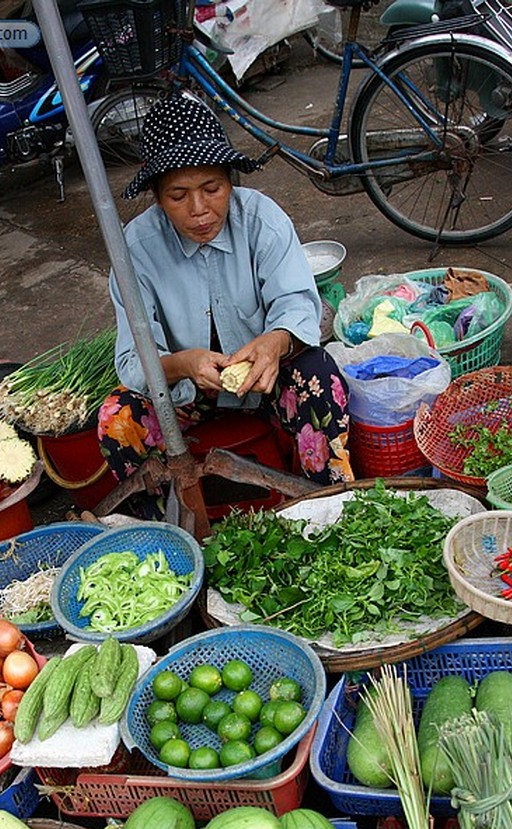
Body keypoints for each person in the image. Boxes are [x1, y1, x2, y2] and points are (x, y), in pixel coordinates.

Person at [97, 93, 353, 518]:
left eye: (212, 189)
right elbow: (132, 359)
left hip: (265, 377)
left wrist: (275, 342)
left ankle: (326, 509)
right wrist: (184, 363)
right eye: (178, 196)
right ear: (157, 198)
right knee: (117, 418)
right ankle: (166, 535)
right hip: (184, 394)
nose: (199, 210)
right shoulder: (135, 251)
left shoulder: (261, 220)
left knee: (321, 376)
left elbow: (296, 301)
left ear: (231, 182)